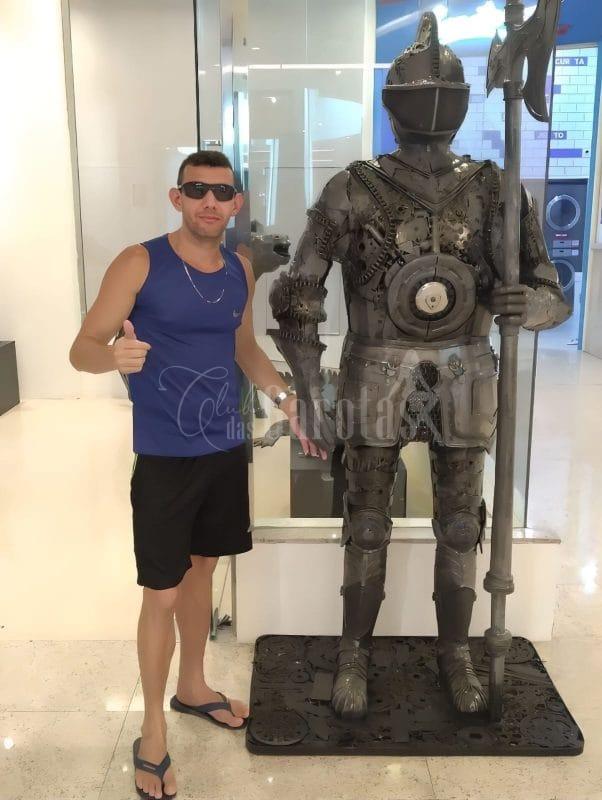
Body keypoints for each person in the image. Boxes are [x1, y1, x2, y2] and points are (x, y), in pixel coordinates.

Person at [69, 150, 325, 800]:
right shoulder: (140, 261)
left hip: (223, 448)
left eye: (221, 192)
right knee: (160, 592)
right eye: (196, 189)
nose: (209, 201)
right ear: (176, 197)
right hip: (164, 456)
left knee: (203, 570)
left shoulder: (240, 268)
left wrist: (284, 397)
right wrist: (114, 357)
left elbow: (242, 345)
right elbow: (81, 349)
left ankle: (193, 686)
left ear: (235, 203)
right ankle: (152, 730)